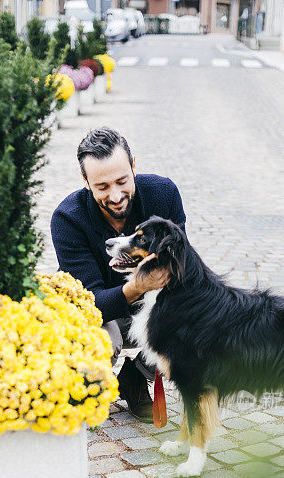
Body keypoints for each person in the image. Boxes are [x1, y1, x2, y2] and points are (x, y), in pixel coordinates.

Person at [50, 127, 186, 421]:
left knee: (193, 323)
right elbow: (91, 301)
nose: (115, 196)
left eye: (122, 181)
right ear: (85, 182)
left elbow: (180, 268)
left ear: (134, 165)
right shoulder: (67, 219)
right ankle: (85, 393)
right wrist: (137, 286)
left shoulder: (163, 195)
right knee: (97, 343)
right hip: (102, 313)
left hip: (154, 307)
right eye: (102, 186)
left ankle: (134, 375)